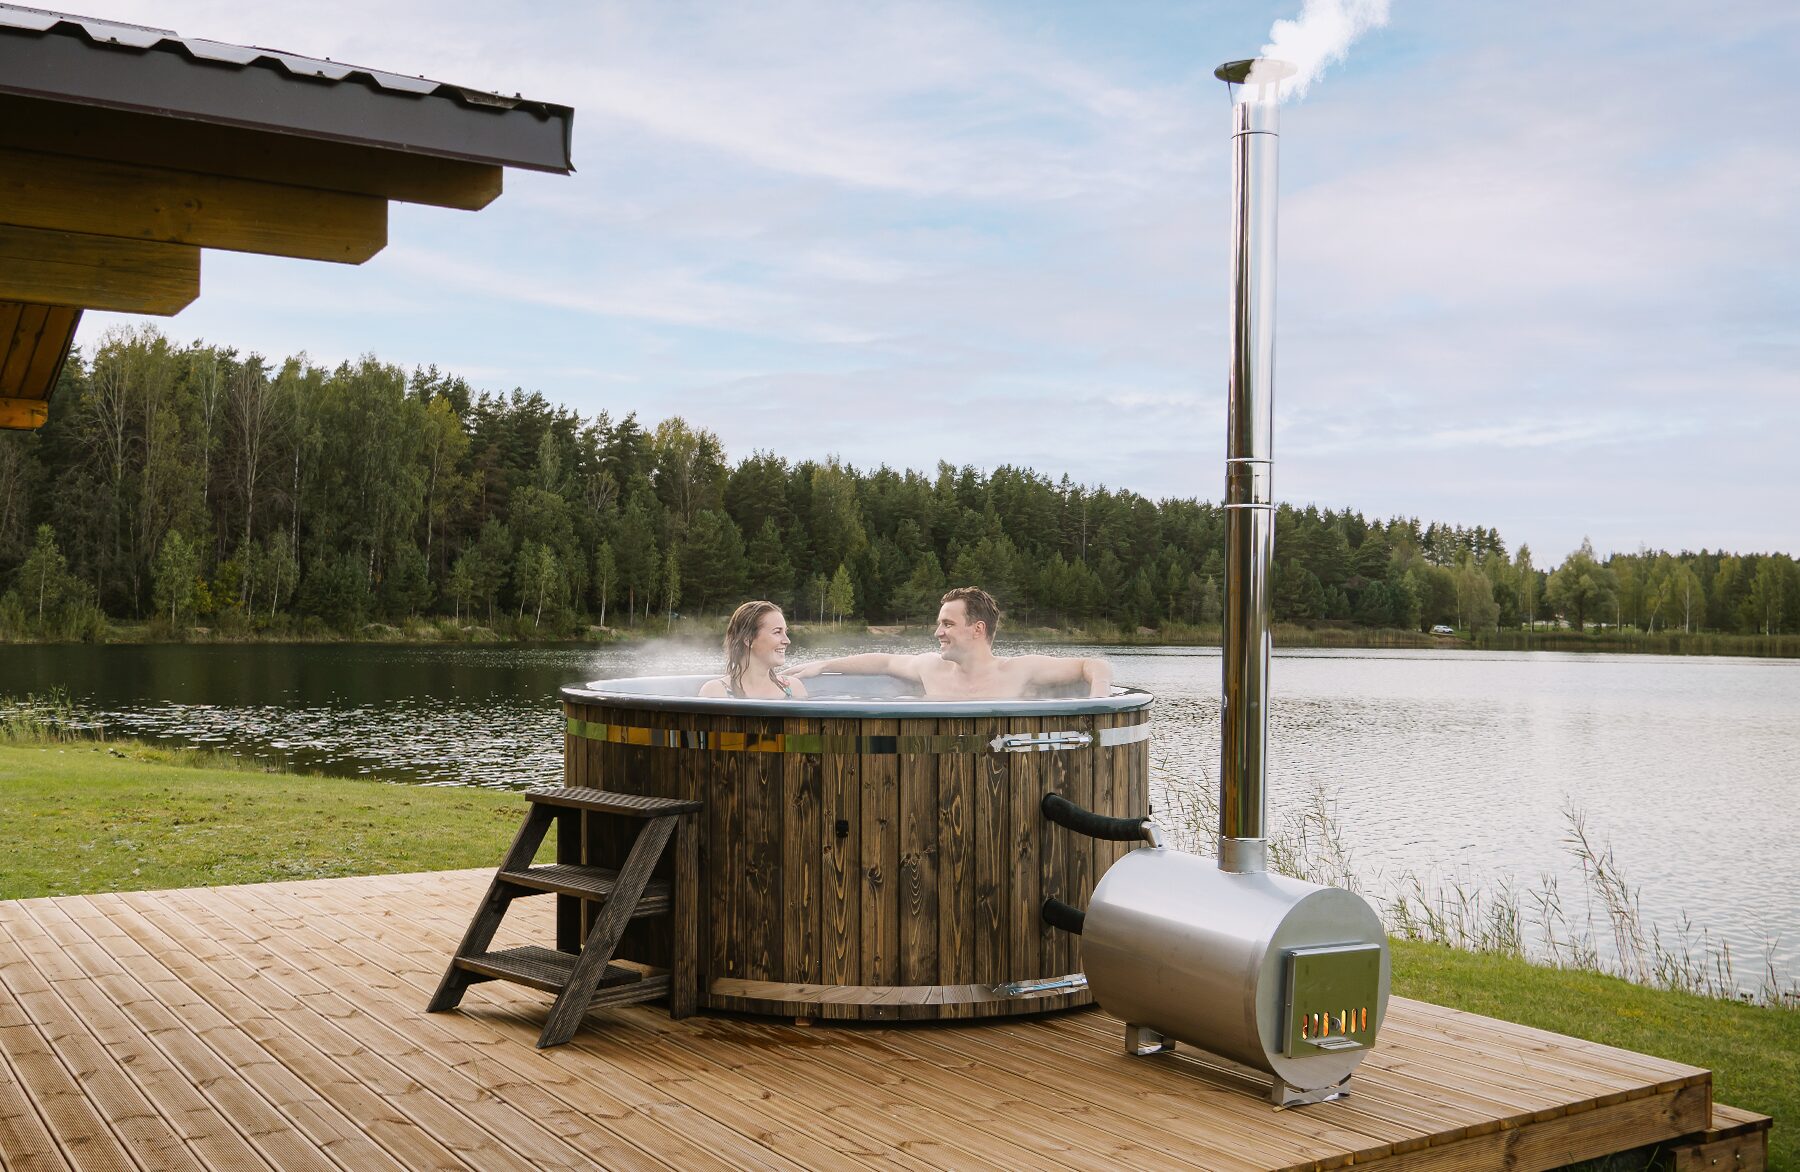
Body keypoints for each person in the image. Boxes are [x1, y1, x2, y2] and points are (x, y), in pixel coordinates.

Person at [788, 586, 1112, 699]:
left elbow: (1094, 665)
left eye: (947, 624)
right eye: (939, 623)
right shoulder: (932, 668)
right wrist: (822, 666)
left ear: (977, 629)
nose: (937, 632)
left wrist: (1099, 706)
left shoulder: (1020, 670)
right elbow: (883, 661)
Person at [699, 601, 808, 699]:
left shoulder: (794, 689)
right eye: (777, 632)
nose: (787, 641)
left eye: (785, 632)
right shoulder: (716, 692)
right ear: (748, 639)